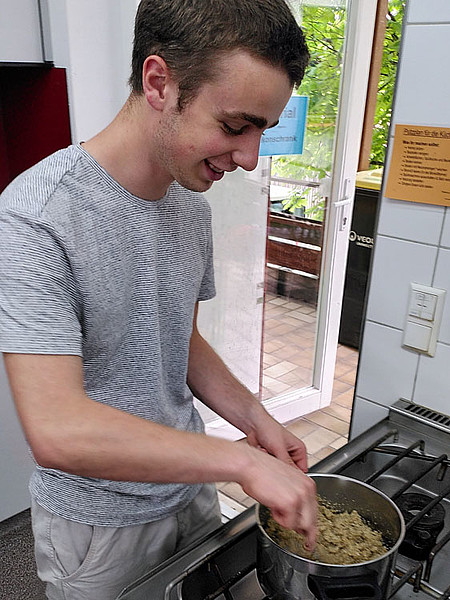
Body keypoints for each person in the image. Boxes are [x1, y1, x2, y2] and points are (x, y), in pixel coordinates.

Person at [0, 0, 315, 598]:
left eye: (261, 132)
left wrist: (257, 423)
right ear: (159, 82)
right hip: (96, 528)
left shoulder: (189, 203)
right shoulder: (35, 216)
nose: (248, 159)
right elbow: (57, 429)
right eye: (234, 126)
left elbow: (182, 341)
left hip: (190, 490)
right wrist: (244, 463)